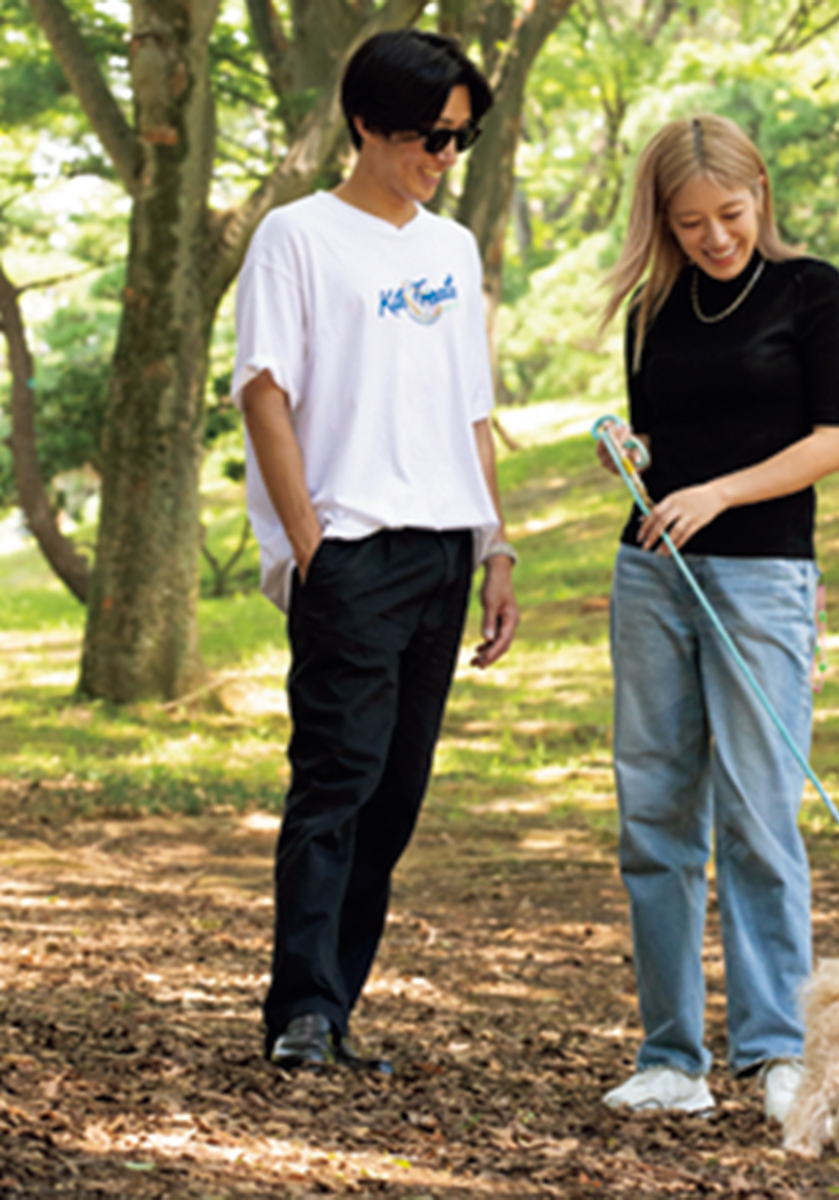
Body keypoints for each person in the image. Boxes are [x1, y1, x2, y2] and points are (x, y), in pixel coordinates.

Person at [233, 29, 519, 1073]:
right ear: (366, 124)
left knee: (397, 792)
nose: (445, 158)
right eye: (429, 138)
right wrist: (310, 542)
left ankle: (336, 1008)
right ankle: (301, 1012)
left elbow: (473, 409)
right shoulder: (296, 236)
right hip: (352, 548)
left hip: (446, 547)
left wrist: (497, 548)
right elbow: (265, 391)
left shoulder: (451, 250)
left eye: (461, 139)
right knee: (337, 782)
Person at [595, 114, 839, 1120]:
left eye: (732, 214)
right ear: (663, 220)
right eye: (692, 221)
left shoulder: (811, 291)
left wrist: (719, 493)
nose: (716, 237)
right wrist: (631, 451)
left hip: (761, 578)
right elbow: (666, 438)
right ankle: (670, 1055)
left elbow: (833, 440)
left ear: (761, 195)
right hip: (651, 576)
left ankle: (773, 1051)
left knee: (759, 819)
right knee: (655, 815)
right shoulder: (654, 303)